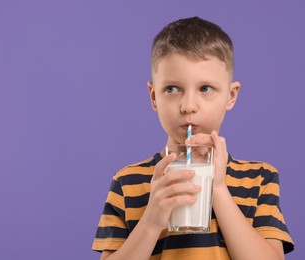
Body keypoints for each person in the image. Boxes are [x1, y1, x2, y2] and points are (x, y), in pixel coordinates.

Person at [92, 17, 294, 259]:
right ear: (154, 96)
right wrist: (151, 221)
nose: (188, 106)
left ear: (230, 96)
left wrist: (217, 188)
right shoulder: (127, 183)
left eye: (205, 88)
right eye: (172, 89)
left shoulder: (259, 179)